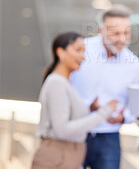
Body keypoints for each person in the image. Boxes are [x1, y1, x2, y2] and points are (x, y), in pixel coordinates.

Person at [70, 5, 139, 169]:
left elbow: (138, 107)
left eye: (126, 33)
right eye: (115, 33)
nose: (122, 39)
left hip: (109, 138)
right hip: (76, 132)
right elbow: (65, 87)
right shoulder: (80, 51)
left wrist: (123, 117)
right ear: (101, 30)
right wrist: (88, 106)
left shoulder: (136, 66)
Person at [32, 32, 118, 169]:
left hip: (66, 158)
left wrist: (90, 109)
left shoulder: (65, 83)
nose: (82, 56)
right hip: (57, 159)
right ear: (60, 52)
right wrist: (104, 112)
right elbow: (62, 130)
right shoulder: (56, 83)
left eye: (84, 51)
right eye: (78, 50)